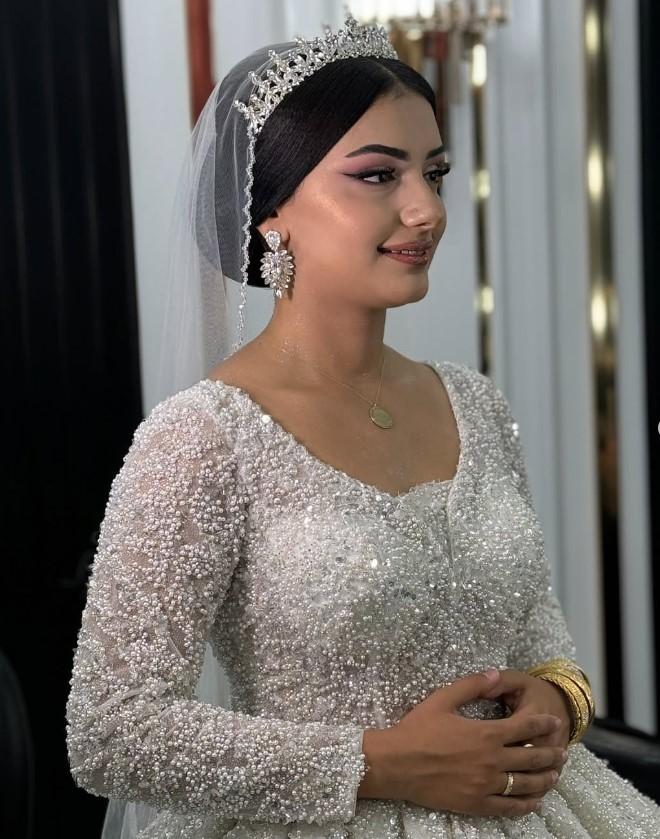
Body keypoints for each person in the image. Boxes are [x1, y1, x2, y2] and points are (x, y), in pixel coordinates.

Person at [65, 11, 660, 838]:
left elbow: (537, 631)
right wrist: (380, 761)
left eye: (435, 172)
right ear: (272, 210)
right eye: (379, 175)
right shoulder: (204, 438)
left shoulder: (473, 403)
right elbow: (109, 728)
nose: (427, 210)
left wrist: (560, 698)